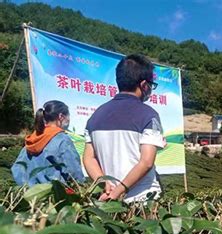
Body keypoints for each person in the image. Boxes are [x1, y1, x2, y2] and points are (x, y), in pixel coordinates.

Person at [83, 54, 166, 203]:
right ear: (144, 85)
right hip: (143, 199)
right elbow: (146, 162)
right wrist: (119, 191)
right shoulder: (149, 115)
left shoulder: (96, 116)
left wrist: (105, 185)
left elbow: (89, 158)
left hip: (107, 201)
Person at [11, 100, 84, 186]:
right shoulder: (62, 139)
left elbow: (17, 168)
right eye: (68, 116)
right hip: (55, 196)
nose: (69, 120)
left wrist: (28, 189)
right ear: (61, 117)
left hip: (31, 196)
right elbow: (74, 172)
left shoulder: (32, 139)